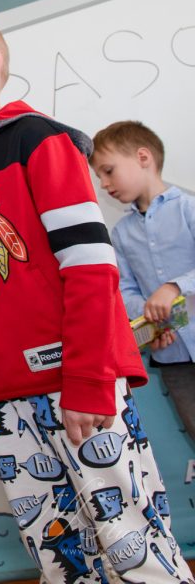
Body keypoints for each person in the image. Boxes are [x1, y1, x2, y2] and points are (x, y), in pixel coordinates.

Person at [0, 13, 192, 582]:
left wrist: (87, 378)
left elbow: (90, 269)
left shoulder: (40, 140)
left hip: (76, 384)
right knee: (59, 553)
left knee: (132, 541)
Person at [91, 121, 195, 441]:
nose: (104, 184)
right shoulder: (121, 234)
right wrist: (151, 318)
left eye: (109, 171)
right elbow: (124, 290)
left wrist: (175, 287)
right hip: (172, 356)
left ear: (143, 158)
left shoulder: (189, 208)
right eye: (99, 176)